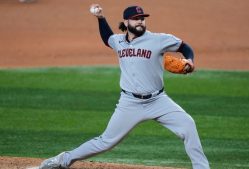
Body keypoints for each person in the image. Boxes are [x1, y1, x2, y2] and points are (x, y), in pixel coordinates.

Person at [39, 4, 210, 169]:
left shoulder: (159, 39)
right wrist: (100, 18)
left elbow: (184, 47)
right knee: (105, 142)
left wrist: (190, 60)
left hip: (158, 101)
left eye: (142, 18)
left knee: (188, 125)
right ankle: (63, 159)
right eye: (136, 19)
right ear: (126, 22)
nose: (140, 22)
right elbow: (107, 38)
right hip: (129, 103)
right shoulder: (118, 41)